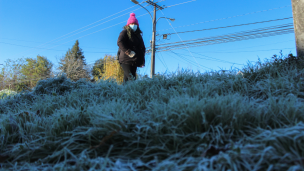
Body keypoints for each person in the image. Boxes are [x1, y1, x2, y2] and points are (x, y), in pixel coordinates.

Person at [117, 13, 146, 83]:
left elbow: (142, 47)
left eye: (135, 24)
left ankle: (121, 93)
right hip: (126, 60)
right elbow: (120, 42)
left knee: (126, 80)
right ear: (128, 25)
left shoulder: (138, 36)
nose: (134, 25)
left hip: (134, 60)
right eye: (132, 24)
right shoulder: (125, 32)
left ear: (137, 25)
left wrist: (141, 56)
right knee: (132, 79)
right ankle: (132, 93)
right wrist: (128, 52)